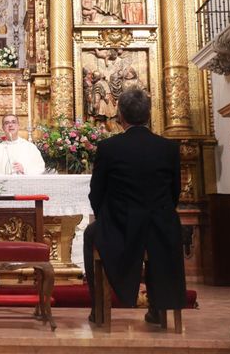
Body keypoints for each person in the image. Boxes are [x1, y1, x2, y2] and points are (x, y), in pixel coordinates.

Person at [83, 87, 186, 325]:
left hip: (121, 226)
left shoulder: (109, 148)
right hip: (161, 226)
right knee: (162, 233)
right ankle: (158, 308)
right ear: (149, 115)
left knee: (91, 234)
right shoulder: (168, 148)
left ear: (120, 116)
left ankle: (98, 307)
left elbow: (96, 193)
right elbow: (174, 192)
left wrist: (106, 218)